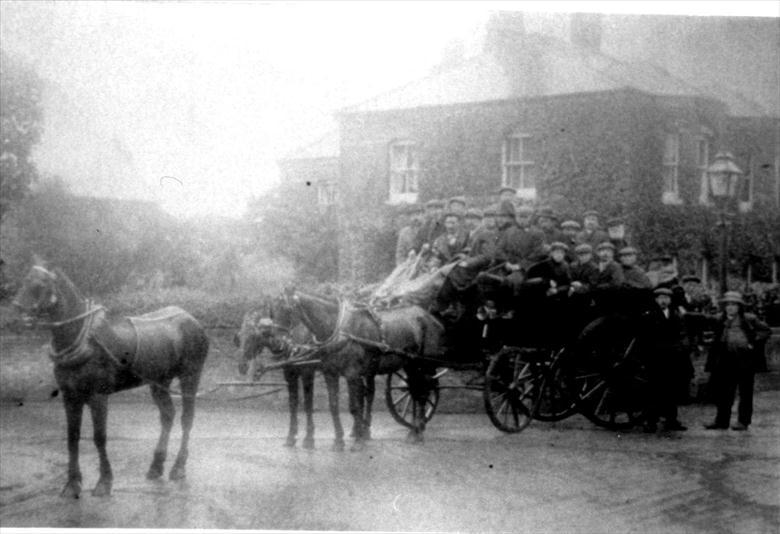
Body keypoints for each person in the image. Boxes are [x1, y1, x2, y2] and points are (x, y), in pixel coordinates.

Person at [693, 292, 772, 431]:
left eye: (734, 305)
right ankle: (721, 421)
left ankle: (743, 421)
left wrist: (753, 343)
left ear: (739, 307)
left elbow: (766, 330)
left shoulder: (749, 319)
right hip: (725, 359)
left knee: (745, 392)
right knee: (724, 392)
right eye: (727, 304)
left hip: (745, 360)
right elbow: (704, 321)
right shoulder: (720, 319)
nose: (730, 308)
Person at [639, 287, 691, 432]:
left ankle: (671, 420)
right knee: (654, 390)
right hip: (655, 358)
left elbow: (682, 334)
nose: (663, 301)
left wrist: (681, 348)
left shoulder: (676, 315)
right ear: (656, 300)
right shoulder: (649, 316)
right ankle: (651, 422)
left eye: (666, 298)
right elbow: (644, 339)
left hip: (672, 358)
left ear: (670, 300)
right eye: (661, 298)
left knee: (671, 389)